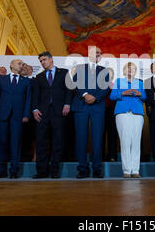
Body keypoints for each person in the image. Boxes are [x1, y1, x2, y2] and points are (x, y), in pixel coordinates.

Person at [0, 59, 31, 179]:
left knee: (15, 144)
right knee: (0, 143)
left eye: (23, 64)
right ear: (11, 65)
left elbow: (28, 99)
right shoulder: (1, 79)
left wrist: (26, 115)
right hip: (2, 116)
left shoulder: (26, 81)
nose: (22, 65)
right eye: (19, 63)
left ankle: (14, 170)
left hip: (18, 117)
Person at [32, 52, 72, 178]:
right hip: (42, 113)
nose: (42, 62)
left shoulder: (64, 73)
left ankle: (54, 171)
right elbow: (35, 95)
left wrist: (67, 104)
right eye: (41, 61)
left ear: (51, 59)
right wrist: (34, 109)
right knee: (41, 142)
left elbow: (69, 90)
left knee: (57, 141)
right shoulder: (39, 77)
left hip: (59, 112)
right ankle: (41, 172)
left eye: (44, 60)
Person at [71, 47, 109, 178]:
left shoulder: (104, 71)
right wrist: (86, 95)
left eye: (99, 53)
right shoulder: (80, 68)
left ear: (100, 56)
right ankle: (82, 168)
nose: (97, 54)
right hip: (81, 106)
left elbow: (105, 88)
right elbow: (75, 84)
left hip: (97, 106)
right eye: (94, 53)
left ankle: (97, 168)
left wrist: (95, 98)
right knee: (81, 138)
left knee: (98, 138)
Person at [110, 62, 146, 178]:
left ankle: (135, 170)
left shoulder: (140, 82)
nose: (131, 70)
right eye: (128, 68)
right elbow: (112, 96)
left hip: (137, 112)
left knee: (136, 141)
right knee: (125, 141)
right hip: (122, 112)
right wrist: (123, 93)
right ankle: (126, 170)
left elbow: (145, 97)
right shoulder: (119, 81)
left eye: (133, 69)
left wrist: (139, 93)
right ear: (124, 70)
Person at [104, 67, 118, 162]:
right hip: (101, 111)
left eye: (110, 73)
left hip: (113, 112)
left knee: (112, 134)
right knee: (100, 134)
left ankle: (112, 155)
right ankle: (100, 155)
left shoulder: (116, 85)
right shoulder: (99, 86)